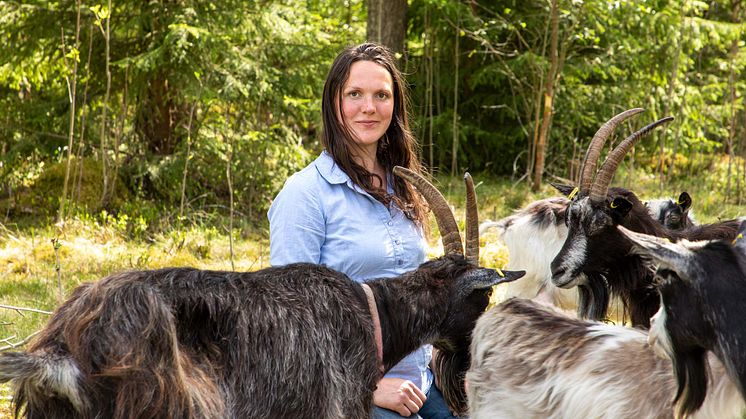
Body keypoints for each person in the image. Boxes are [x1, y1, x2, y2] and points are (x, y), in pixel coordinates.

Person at [268, 42, 459, 419]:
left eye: (381, 95)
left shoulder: (404, 186)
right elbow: (288, 323)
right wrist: (368, 385)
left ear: (395, 105)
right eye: (354, 94)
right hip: (341, 389)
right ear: (334, 103)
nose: (368, 107)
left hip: (419, 379)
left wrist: (442, 357)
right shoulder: (306, 194)